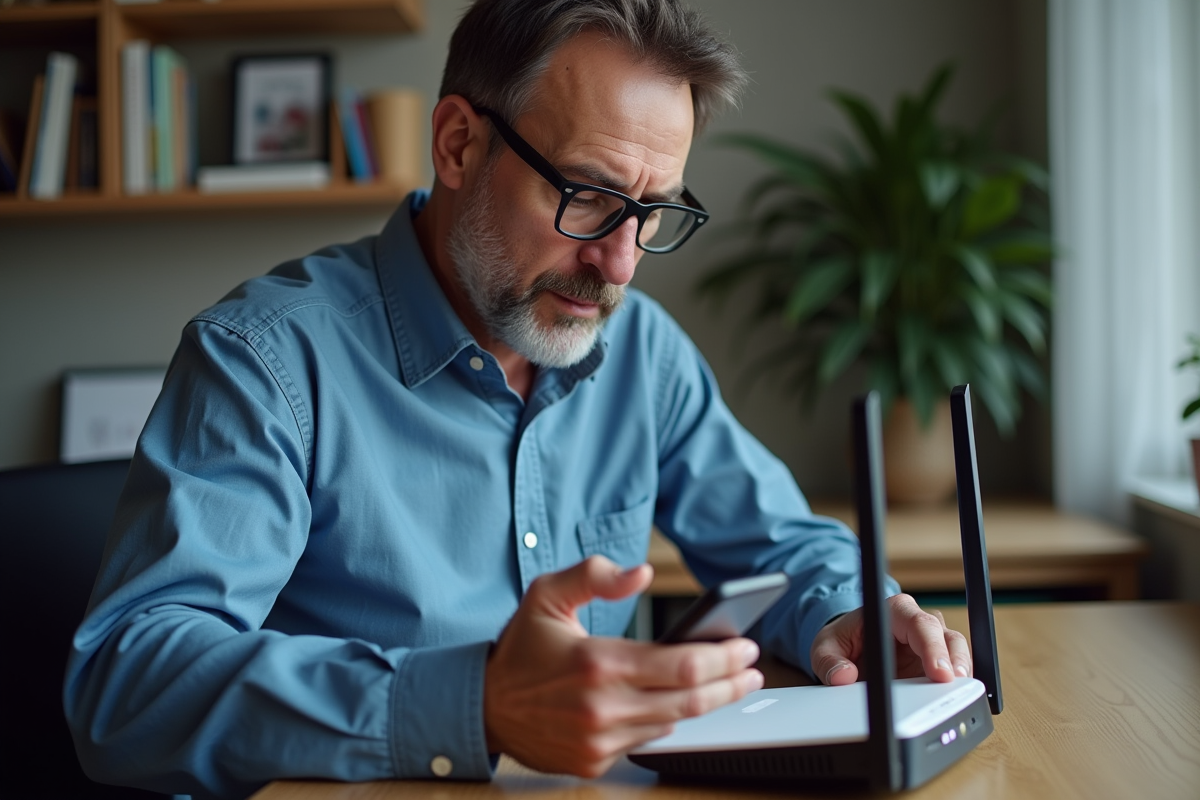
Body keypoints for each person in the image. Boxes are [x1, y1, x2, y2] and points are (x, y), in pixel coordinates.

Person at [65, 1, 971, 798]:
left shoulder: (641, 353)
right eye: (588, 196)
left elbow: (777, 536)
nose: (619, 264)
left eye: (653, 213)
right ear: (459, 143)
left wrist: (848, 609)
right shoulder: (265, 361)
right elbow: (127, 684)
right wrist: (474, 705)